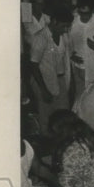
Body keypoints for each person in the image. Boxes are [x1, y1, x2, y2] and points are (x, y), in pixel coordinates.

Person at [29, 7, 73, 135]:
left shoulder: (64, 36)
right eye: (63, 26)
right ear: (54, 22)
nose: (65, 30)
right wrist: (43, 90)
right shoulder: (41, 37)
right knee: (46, 116)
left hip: (60, 80)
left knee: (64, 114)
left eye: (68, 27)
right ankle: (47, 144)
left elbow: (64, 56)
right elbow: (33, 65)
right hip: (42, 81)